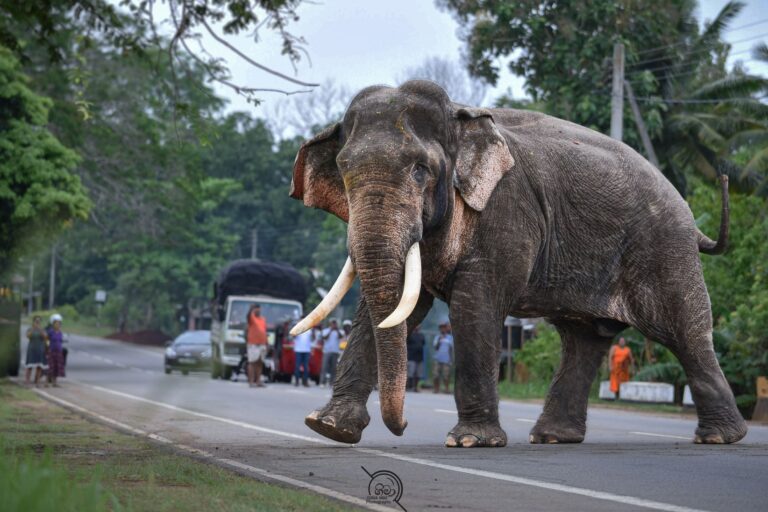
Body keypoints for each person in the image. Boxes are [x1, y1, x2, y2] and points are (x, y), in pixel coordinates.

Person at [245, 304, 268, 388]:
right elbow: (247, 317)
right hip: (253, 344)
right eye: (256, 309)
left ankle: (258, 381)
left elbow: (264, 331)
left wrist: (267, 343)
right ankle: (251, 382)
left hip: (262, 344)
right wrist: (250, 309)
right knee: (252, 362)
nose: (258, 311)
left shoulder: (263, 319)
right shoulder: (251, 318)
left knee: (260, 362)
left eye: (259, 309)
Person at [25, 316, 48, 387]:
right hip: (32, 349)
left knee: (39, 366)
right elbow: (28, 336)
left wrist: (40, 330)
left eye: (39, 321)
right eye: (36, 321)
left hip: (40, 349)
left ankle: (37, 381)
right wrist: (33, 329)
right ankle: (27, 381)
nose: (37, 322)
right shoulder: (30, 329)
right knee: (29, 366)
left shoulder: (42, 329)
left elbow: (45, 337)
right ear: (33, 322)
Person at [432, 320, 453, 394]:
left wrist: (451, 360)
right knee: (435, 375)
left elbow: (451, 349)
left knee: (446, 375)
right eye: (441, 328)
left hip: (446, 359)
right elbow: (435, 347)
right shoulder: (437, 337)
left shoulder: (450, 338)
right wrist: (439, 340)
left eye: (444, 328)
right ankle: (436, 389)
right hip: (437, 359)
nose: (442, 329)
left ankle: (446, 389)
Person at [320, 318, 342, 387]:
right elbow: (325, 337)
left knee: (333, 368)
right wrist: (330, 330)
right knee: (324, 367)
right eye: (333, 323)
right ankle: (322, 382)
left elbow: (340, 336)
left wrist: (337, 330)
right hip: (327, 351)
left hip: (335, 352)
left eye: (335, 323)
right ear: (330, 324)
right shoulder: (326, 330)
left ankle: (331, 383)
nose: (334, 324)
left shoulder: (339, 331)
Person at [46, 314, 65, 387]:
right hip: (52, 350)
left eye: (59, 324)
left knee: (57, 367)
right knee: (50, 367)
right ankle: (47, 382)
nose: (58, 325)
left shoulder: (60, 332)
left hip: (58, 351)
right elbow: (47, 340)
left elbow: (60, 341)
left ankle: (55, 382)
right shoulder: (51, 332)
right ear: (53, 324)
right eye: (56, 323)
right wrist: (48, 347)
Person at [293, 318, 313, 387]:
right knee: (297, 366)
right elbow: (293, 336)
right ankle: (297, 381)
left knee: (306, 367)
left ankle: (305, 382)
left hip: (307, 350)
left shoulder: (309, 328)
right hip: (298, 350)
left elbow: (313, 337)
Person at [406, 325, 425, 392]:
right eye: (417, 325)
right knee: (410, 373)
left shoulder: (421, 335)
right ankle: (408, 386)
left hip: (419, 357)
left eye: (419, 326)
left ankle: (415, 387)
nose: (418, 327)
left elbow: (423, 343)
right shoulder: (410, 334)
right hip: (411, 357)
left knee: (418, 373)